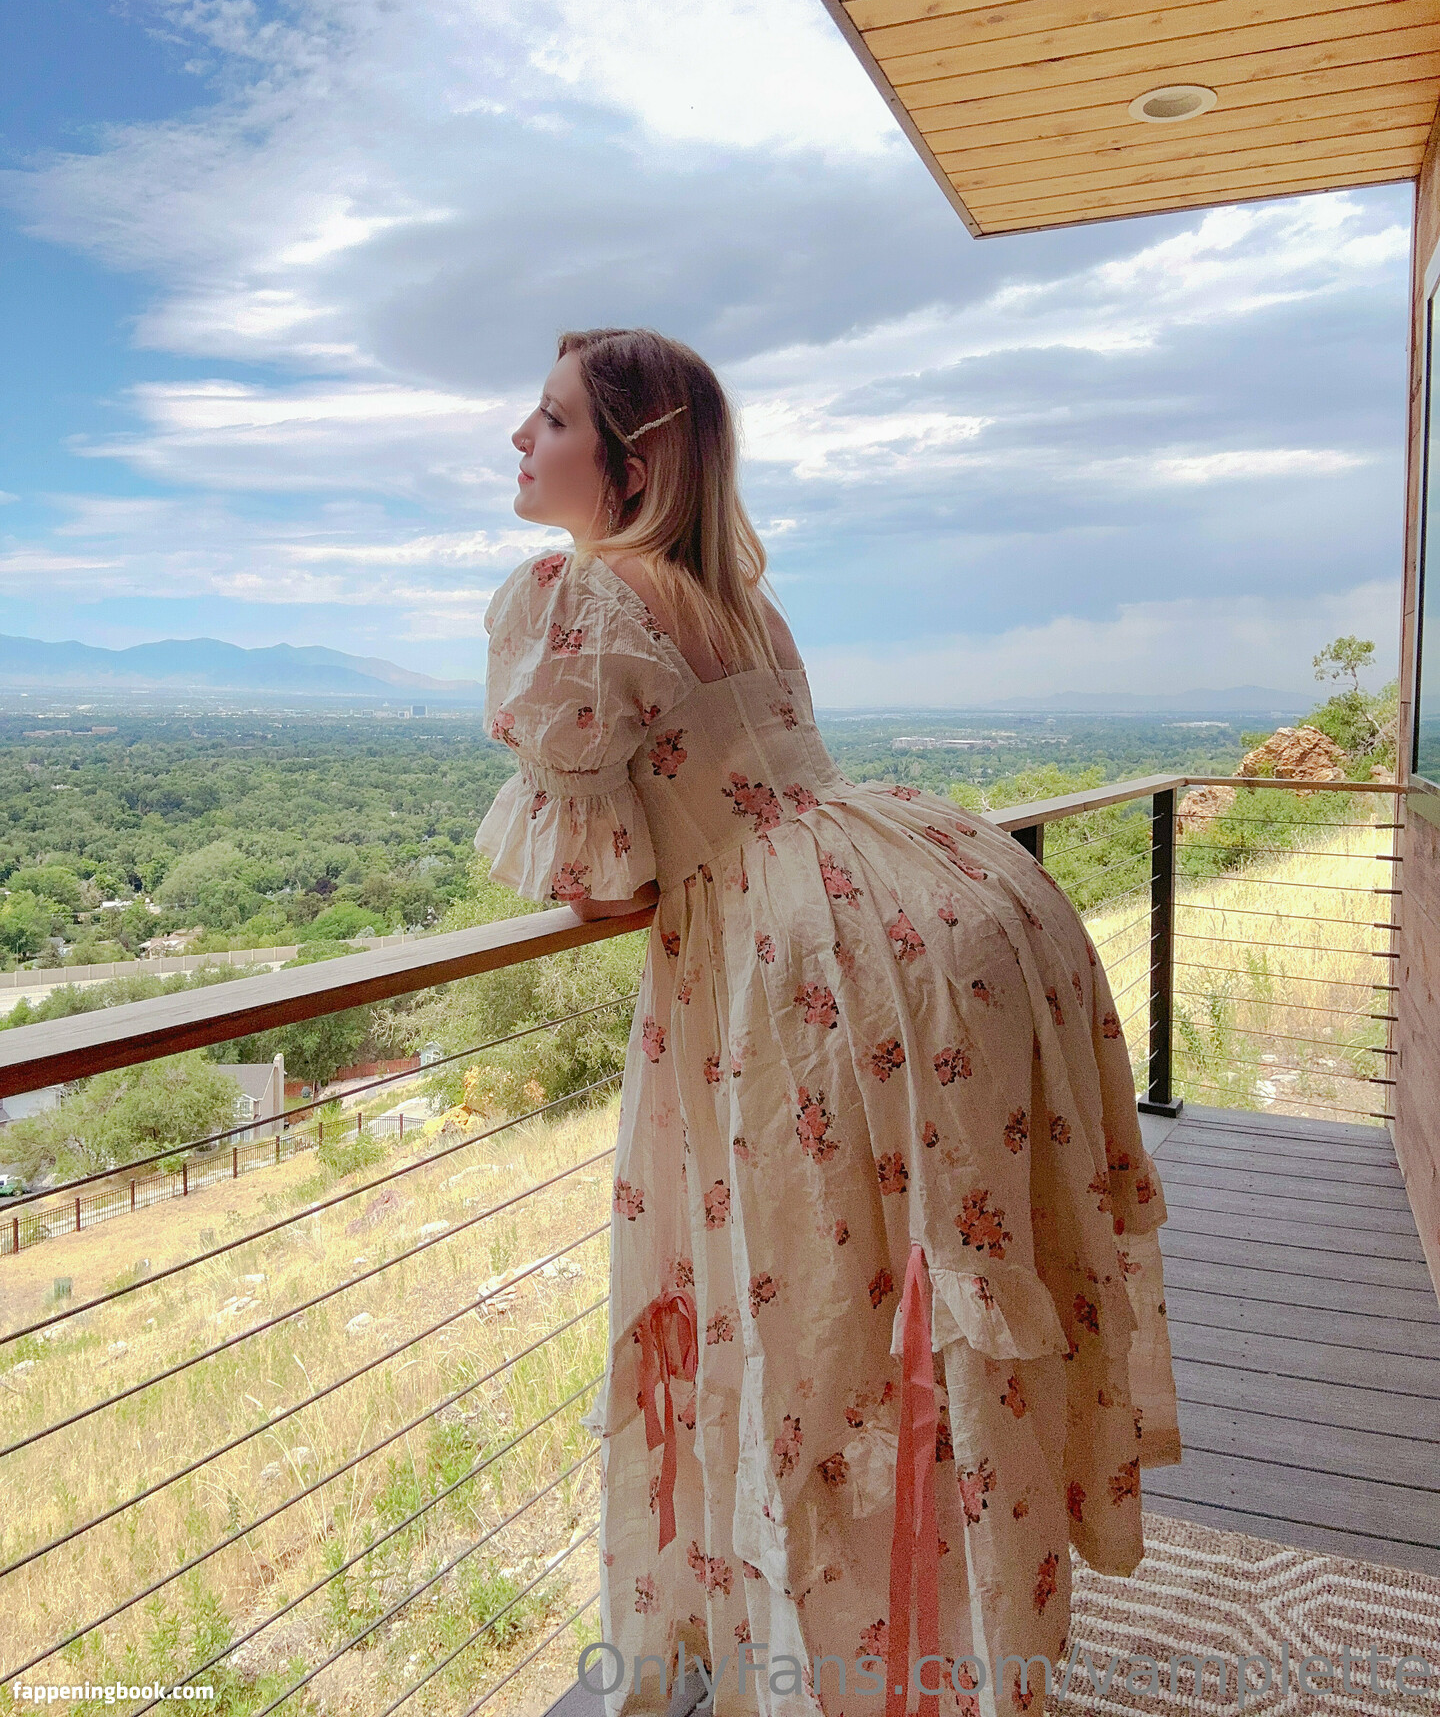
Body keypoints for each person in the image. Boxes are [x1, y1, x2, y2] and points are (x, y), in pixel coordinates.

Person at [474, 328, 1180, 1717]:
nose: (519, 438)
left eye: (549, 419)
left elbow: (596, 861)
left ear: (633, 461)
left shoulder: (583, 596)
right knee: (895, 1279)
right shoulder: (740, 601)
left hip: (796, 961)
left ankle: (836, 1651)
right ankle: (930, 1628)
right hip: (899, 896)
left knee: (811, 1297)